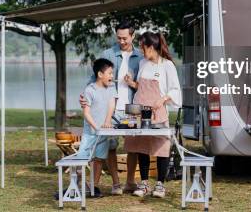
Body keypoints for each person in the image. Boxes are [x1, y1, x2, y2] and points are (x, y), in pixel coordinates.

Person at [79, 20, 143, 194]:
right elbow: (95, 78)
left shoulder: (141, 57)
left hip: (133, 107)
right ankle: (116, 183)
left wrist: (132, 82)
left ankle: (130, 181)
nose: (121, 41)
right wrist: (84, 96)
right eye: (118, 38)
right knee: (110, 144)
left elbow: (143, 85)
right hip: (110, 108)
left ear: (133, 35)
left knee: (133, 145)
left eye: (125, 38)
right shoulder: (108, 53)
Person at [124, 31, 182, 198]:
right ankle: (143, 184)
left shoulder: (167, 65)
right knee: (141, 147)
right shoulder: (142, 63)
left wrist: (163, 99)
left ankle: (160, 185)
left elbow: (175, 89)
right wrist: (131, 83)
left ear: (150, 47)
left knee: (161, 148)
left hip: (157, 111)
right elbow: (140, 88)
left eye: (143, 47)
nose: (141, 51)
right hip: (138, 111)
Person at [75, 58, 120, 196]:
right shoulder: (90, 90)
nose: (112, 76)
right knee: (83, 158)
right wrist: (96, 127)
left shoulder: (111, 88)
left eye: (112, 74)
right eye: (110, 73)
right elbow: (87, 113)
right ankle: (77, 183)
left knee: (99, 159)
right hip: (91, 132)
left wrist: (107, 121)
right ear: (100, 74)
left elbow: (112, 105)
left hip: (104, 132)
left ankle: (92, 186)